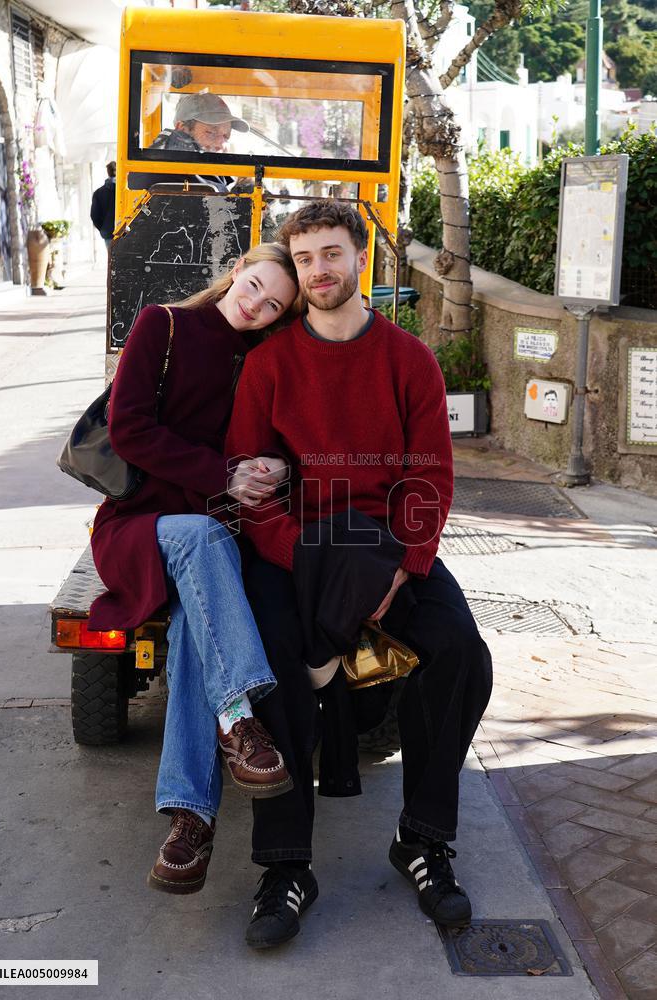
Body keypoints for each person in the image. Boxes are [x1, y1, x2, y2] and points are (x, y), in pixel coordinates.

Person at [225, 201, 493, 949]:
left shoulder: (409, 359)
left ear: (360, 259)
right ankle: (286, 866)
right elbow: (252, 488)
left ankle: (423, 839)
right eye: (305, 258)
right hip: (300, 548)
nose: (319, 271)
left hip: (386, 547)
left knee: (461, 653)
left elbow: (429, 476)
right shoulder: (270, 364)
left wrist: (403, 570)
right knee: (272, 661)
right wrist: (304, 564)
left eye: (332, 254)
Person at [87, 243, 299, 895]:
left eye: (273, 306)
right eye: (255, 285)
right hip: (142, 527)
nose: (256, 304)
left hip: (216, 542)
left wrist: (276, 469)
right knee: (204, 536)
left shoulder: (269, 360)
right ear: (237, 269)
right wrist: (222, 477)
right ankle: (238, 719)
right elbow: (128, 430)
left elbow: (283, 443)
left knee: (189, 641)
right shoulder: (164, 324)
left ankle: (190, 825)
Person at [90, 161, 116, 251]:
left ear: (108, 172)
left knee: (112, 261)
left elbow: (94, 216)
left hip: (108, 233)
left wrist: (103, 228)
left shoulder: (98, 193)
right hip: (127, 231)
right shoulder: (128, 190)